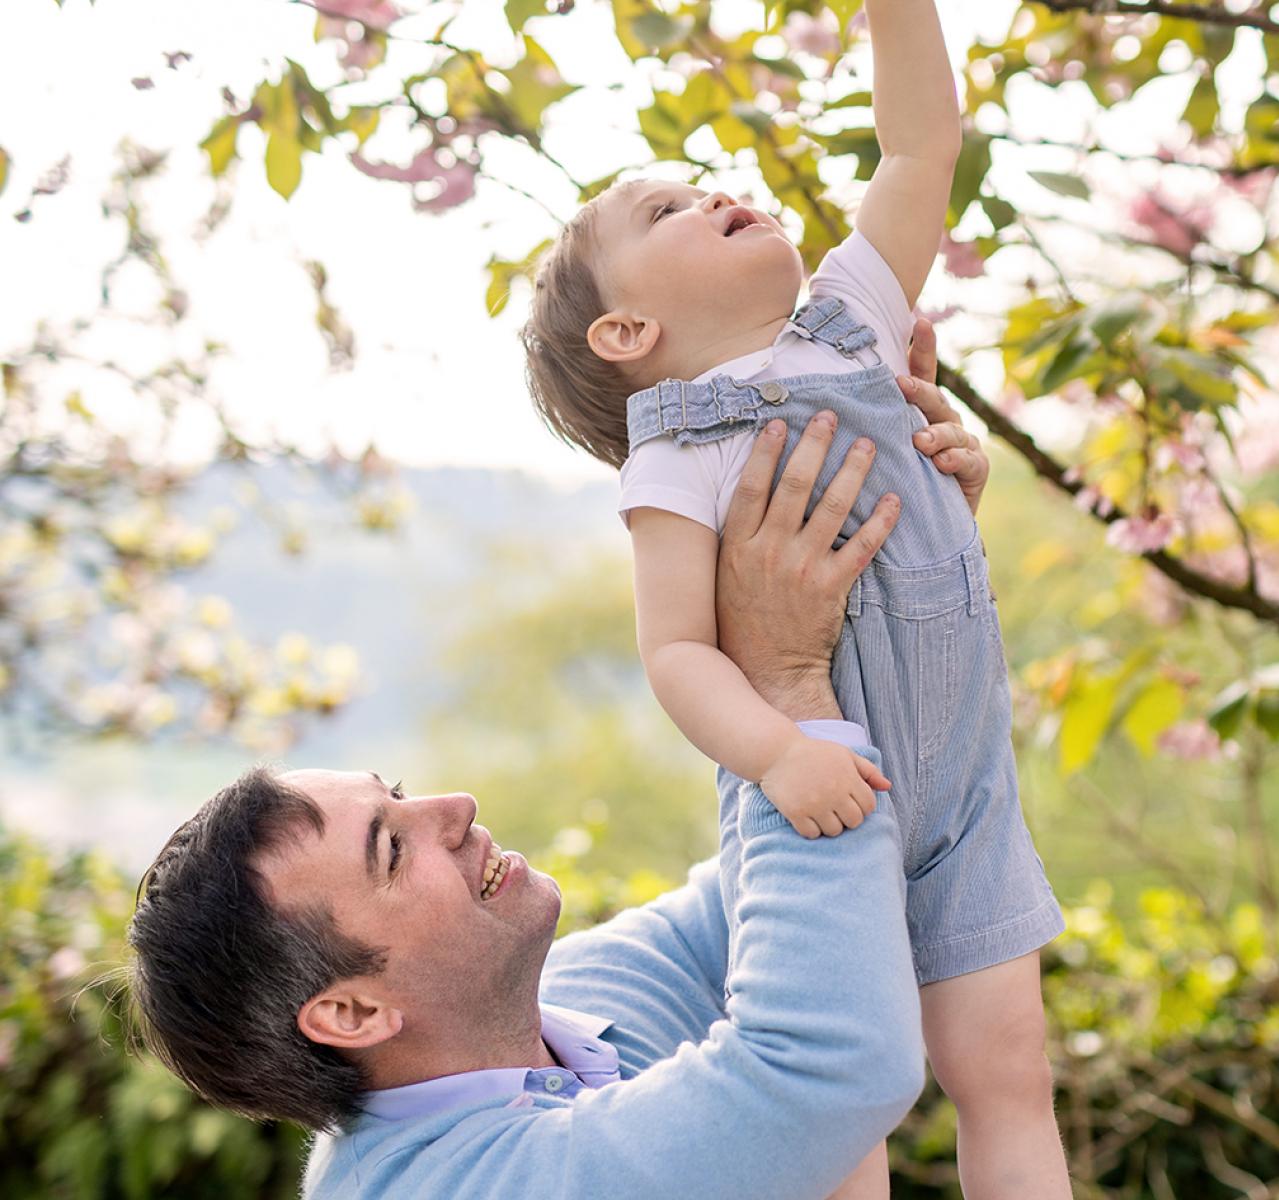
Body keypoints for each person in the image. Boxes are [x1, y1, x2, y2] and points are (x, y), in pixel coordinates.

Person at [124, 342, 1009, 1198]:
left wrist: (896, 567)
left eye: (396, 795)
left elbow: (824, 880)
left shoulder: (573, 1006)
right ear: (352, 1014)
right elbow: (826, 1069)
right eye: (391, 849)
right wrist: (777, 681)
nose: (453, 806)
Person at [520, 2, 1069, 1195]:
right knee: (837, 1103)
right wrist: (778, 754)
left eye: (695, 181)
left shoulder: (851, 327)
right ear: (628, 330)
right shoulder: (677, 452)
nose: (711, 188)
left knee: (1008, 1071)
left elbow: (922, 148)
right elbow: (676, 653)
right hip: (815, 798)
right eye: (663, 210)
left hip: (965, 790)